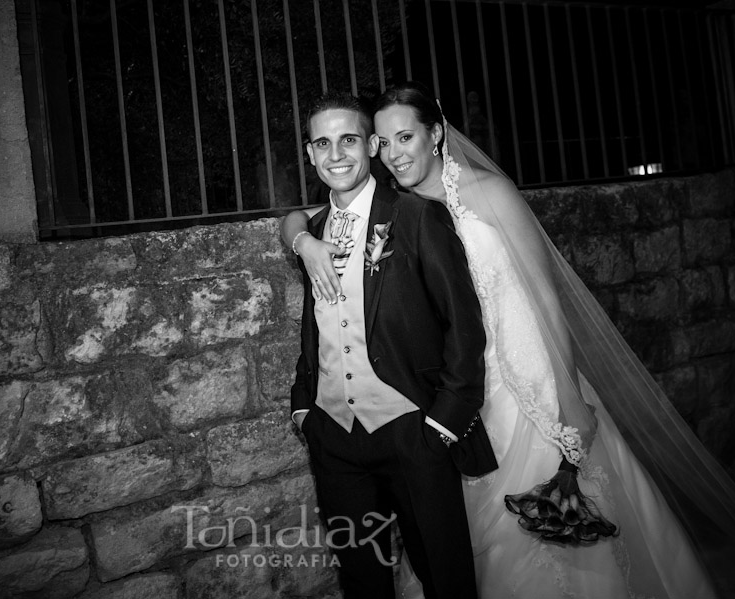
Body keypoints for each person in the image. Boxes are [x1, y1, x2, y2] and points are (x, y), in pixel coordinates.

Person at [282, 82, 735, 598]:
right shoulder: (396, 210)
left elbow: (544, 296)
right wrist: (301, 239)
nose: (394, 153)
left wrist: (570, 401)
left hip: (524, 377)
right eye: (384, 143)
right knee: (458, 537)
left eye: (404, 136)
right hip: (457, 388)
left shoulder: (486, 193)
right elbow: (306, 218)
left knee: (559, 531)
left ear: (437, 133)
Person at [289, 91, 498, 599]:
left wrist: (443, 424)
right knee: (362, 581)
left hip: (412, 430)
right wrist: (303, 410)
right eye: (323, 143)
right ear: (310, 153)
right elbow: (316, 325)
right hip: (333, 434)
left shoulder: (417, 217)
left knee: (444, 577)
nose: (336, 154)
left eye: (349, 140)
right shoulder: (311, 232)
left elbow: (464, 327)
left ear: (372, 145)